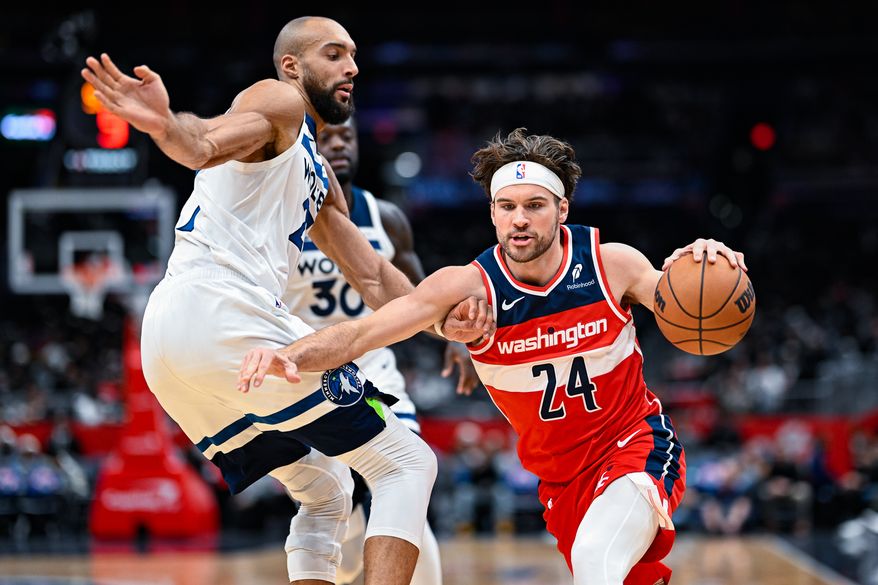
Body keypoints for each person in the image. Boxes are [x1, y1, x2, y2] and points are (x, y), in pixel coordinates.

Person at [81, 16, 492, 585]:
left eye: (353, 56)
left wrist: (447, 323)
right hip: (222, 311)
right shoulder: (280, 100)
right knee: (408, 462)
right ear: (293, 66)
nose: (351, 67)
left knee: (327, 490)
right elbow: (202, 143)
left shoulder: (315, 172)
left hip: (170, 344)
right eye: (334, 54)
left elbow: (373, 275)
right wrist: (165, 126)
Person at [239, 128, 749, 585]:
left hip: (634, 447)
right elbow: (361, 334)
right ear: (492, 212)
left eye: (535, 205)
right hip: (561, 480)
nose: (519, 220)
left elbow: (678, 296)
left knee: (597, 564)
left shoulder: (610, 264)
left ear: (563, 208)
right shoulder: (466, 289)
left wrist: (700, 257)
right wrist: (290, 354)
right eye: (507, 207)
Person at [283, 117, 478, 585]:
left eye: (346, 136)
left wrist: (451, 338)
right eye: (324, 138)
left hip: (372, 370)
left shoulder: (384, 217)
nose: (337, 145)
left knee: (406, 479)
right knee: (336, 513)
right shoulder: (281, 218)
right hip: (305, 376)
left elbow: (415, 294)